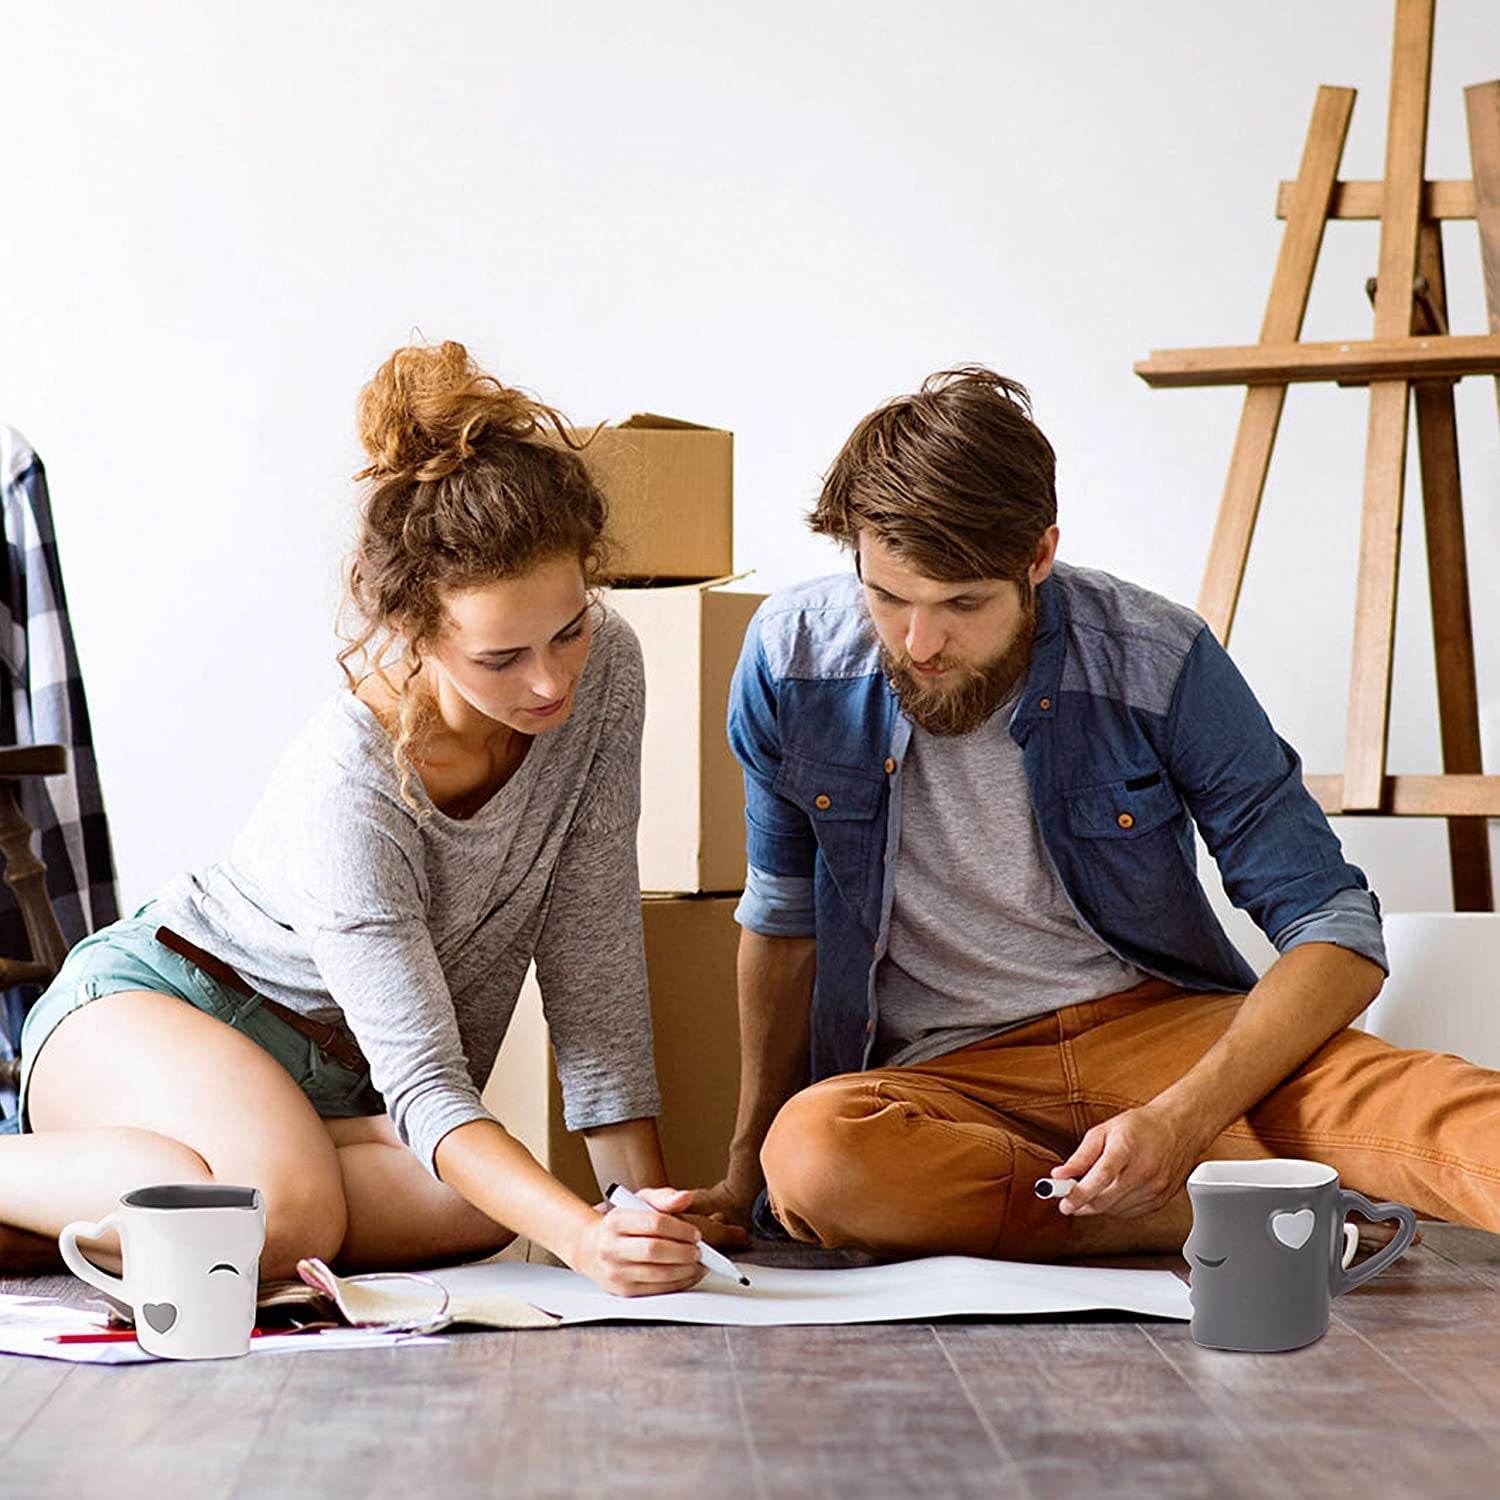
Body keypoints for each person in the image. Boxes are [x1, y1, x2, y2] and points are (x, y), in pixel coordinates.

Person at [688, 366, 1500, 1262]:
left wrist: (1183, 1119)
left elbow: (1336, 930)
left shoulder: (1158, 656)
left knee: (1455, 1119)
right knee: (813, 1156)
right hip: (945, 1079)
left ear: (1037, 558)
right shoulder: (790, 659)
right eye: (889, 599)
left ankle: (1194, 1182)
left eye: (962, 605)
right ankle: (1220, 1214)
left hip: (1167, 1038)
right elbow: (783, 923)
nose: (920, 644)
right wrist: (740, 1177)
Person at [2, 340, 735, 1294]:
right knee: (289, 1217)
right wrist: (580, 1244)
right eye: (502, 657)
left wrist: (646, 1223)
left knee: (483, 1204)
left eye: (568, 629)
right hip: (159, 1012)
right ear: (419, 630)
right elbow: (431, 1087)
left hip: (338, 1093)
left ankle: (111, 1212)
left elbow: (590, 947)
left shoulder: (609, 674)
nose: (550, 680)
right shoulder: (350, 783)